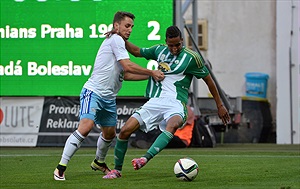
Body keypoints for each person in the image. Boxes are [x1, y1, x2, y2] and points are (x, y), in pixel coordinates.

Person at [102, 25, 230, 179]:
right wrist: (121, 38)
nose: (175, 48)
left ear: (182, 40)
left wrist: (220, 105)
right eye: (171, 45)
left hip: (176, 103)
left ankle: (144, 159)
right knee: (124, 131)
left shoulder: (192, 57)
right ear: (166, 42)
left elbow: (209, 81)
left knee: (173, 124)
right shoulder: (159, 50)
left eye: (178, 45)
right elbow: (137, 51)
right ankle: (117, 170)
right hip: (155, 101)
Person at [53, 11, 164, 181]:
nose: (130, 30)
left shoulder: (119, 42)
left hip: (109, 98)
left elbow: (125, 75)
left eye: (132, 27)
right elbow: (127, 66)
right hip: (93, 92)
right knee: (86, 126)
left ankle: (99, 162)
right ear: (116, 26)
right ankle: (60, 167)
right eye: (127, 26)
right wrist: (151, 71)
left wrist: (151, 76)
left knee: (110, 134)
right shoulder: (116, 39)